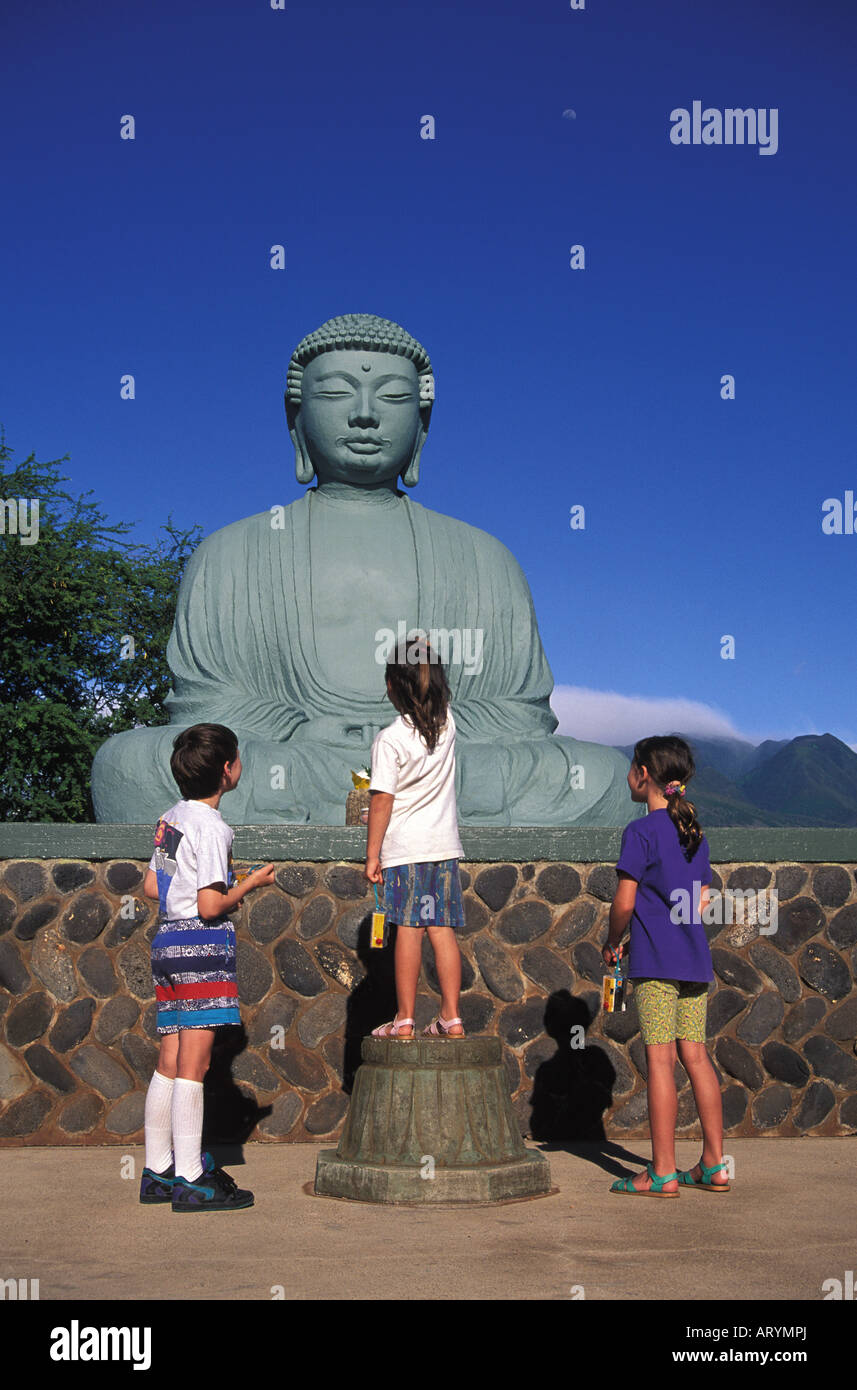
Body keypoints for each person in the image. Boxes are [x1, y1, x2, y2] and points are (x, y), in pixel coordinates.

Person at [139, 723, 275, 1211]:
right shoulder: (214, 828)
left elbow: (154, 889)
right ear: (227, 770)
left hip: (168, 944)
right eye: (238, 758)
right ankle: (192, 1178)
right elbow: (212, 905)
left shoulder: (170, 820)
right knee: (195, 1066)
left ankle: (158, 1170)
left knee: (170, 1061)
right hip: (201, 946)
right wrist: (252, 883)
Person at [603, 735, 730, 1197]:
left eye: (631, 766)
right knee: (695, 1056)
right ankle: (715, 1164)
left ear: (643, 775)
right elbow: (700, 901)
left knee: (660, 1060)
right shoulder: (695, 835)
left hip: (656, 965)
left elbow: (624, 901)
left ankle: (661, 1172)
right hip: (695, 963)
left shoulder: (640, 833)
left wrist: (613, 940)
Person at [364, 640, 466, 1038]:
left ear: (391, 686)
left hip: (405, 851)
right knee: (441, 929)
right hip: (443, 848)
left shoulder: (389, 740)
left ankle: (404, 1018)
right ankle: (451, 1016)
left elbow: (381, 802)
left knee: (408, 929)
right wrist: (425, 651)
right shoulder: (448, 726)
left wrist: (372, 854)